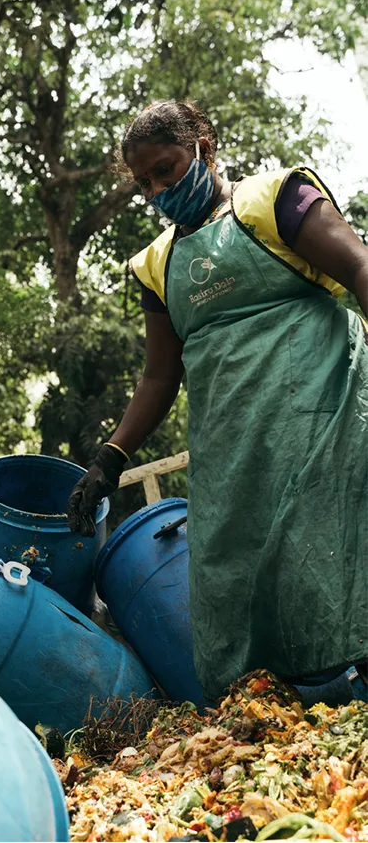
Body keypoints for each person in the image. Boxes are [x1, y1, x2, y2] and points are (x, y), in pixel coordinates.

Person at [67, 99, 368, 700]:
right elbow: (159, 378)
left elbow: (360, 269)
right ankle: (284, 710)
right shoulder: (158, 264)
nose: (158, 189)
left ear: (204, 147)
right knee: (234, 571)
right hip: (231, 442)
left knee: (329, 542)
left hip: (322, 411)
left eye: (167, 168)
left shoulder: (275, 201)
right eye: (145, 181)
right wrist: (110, 460)